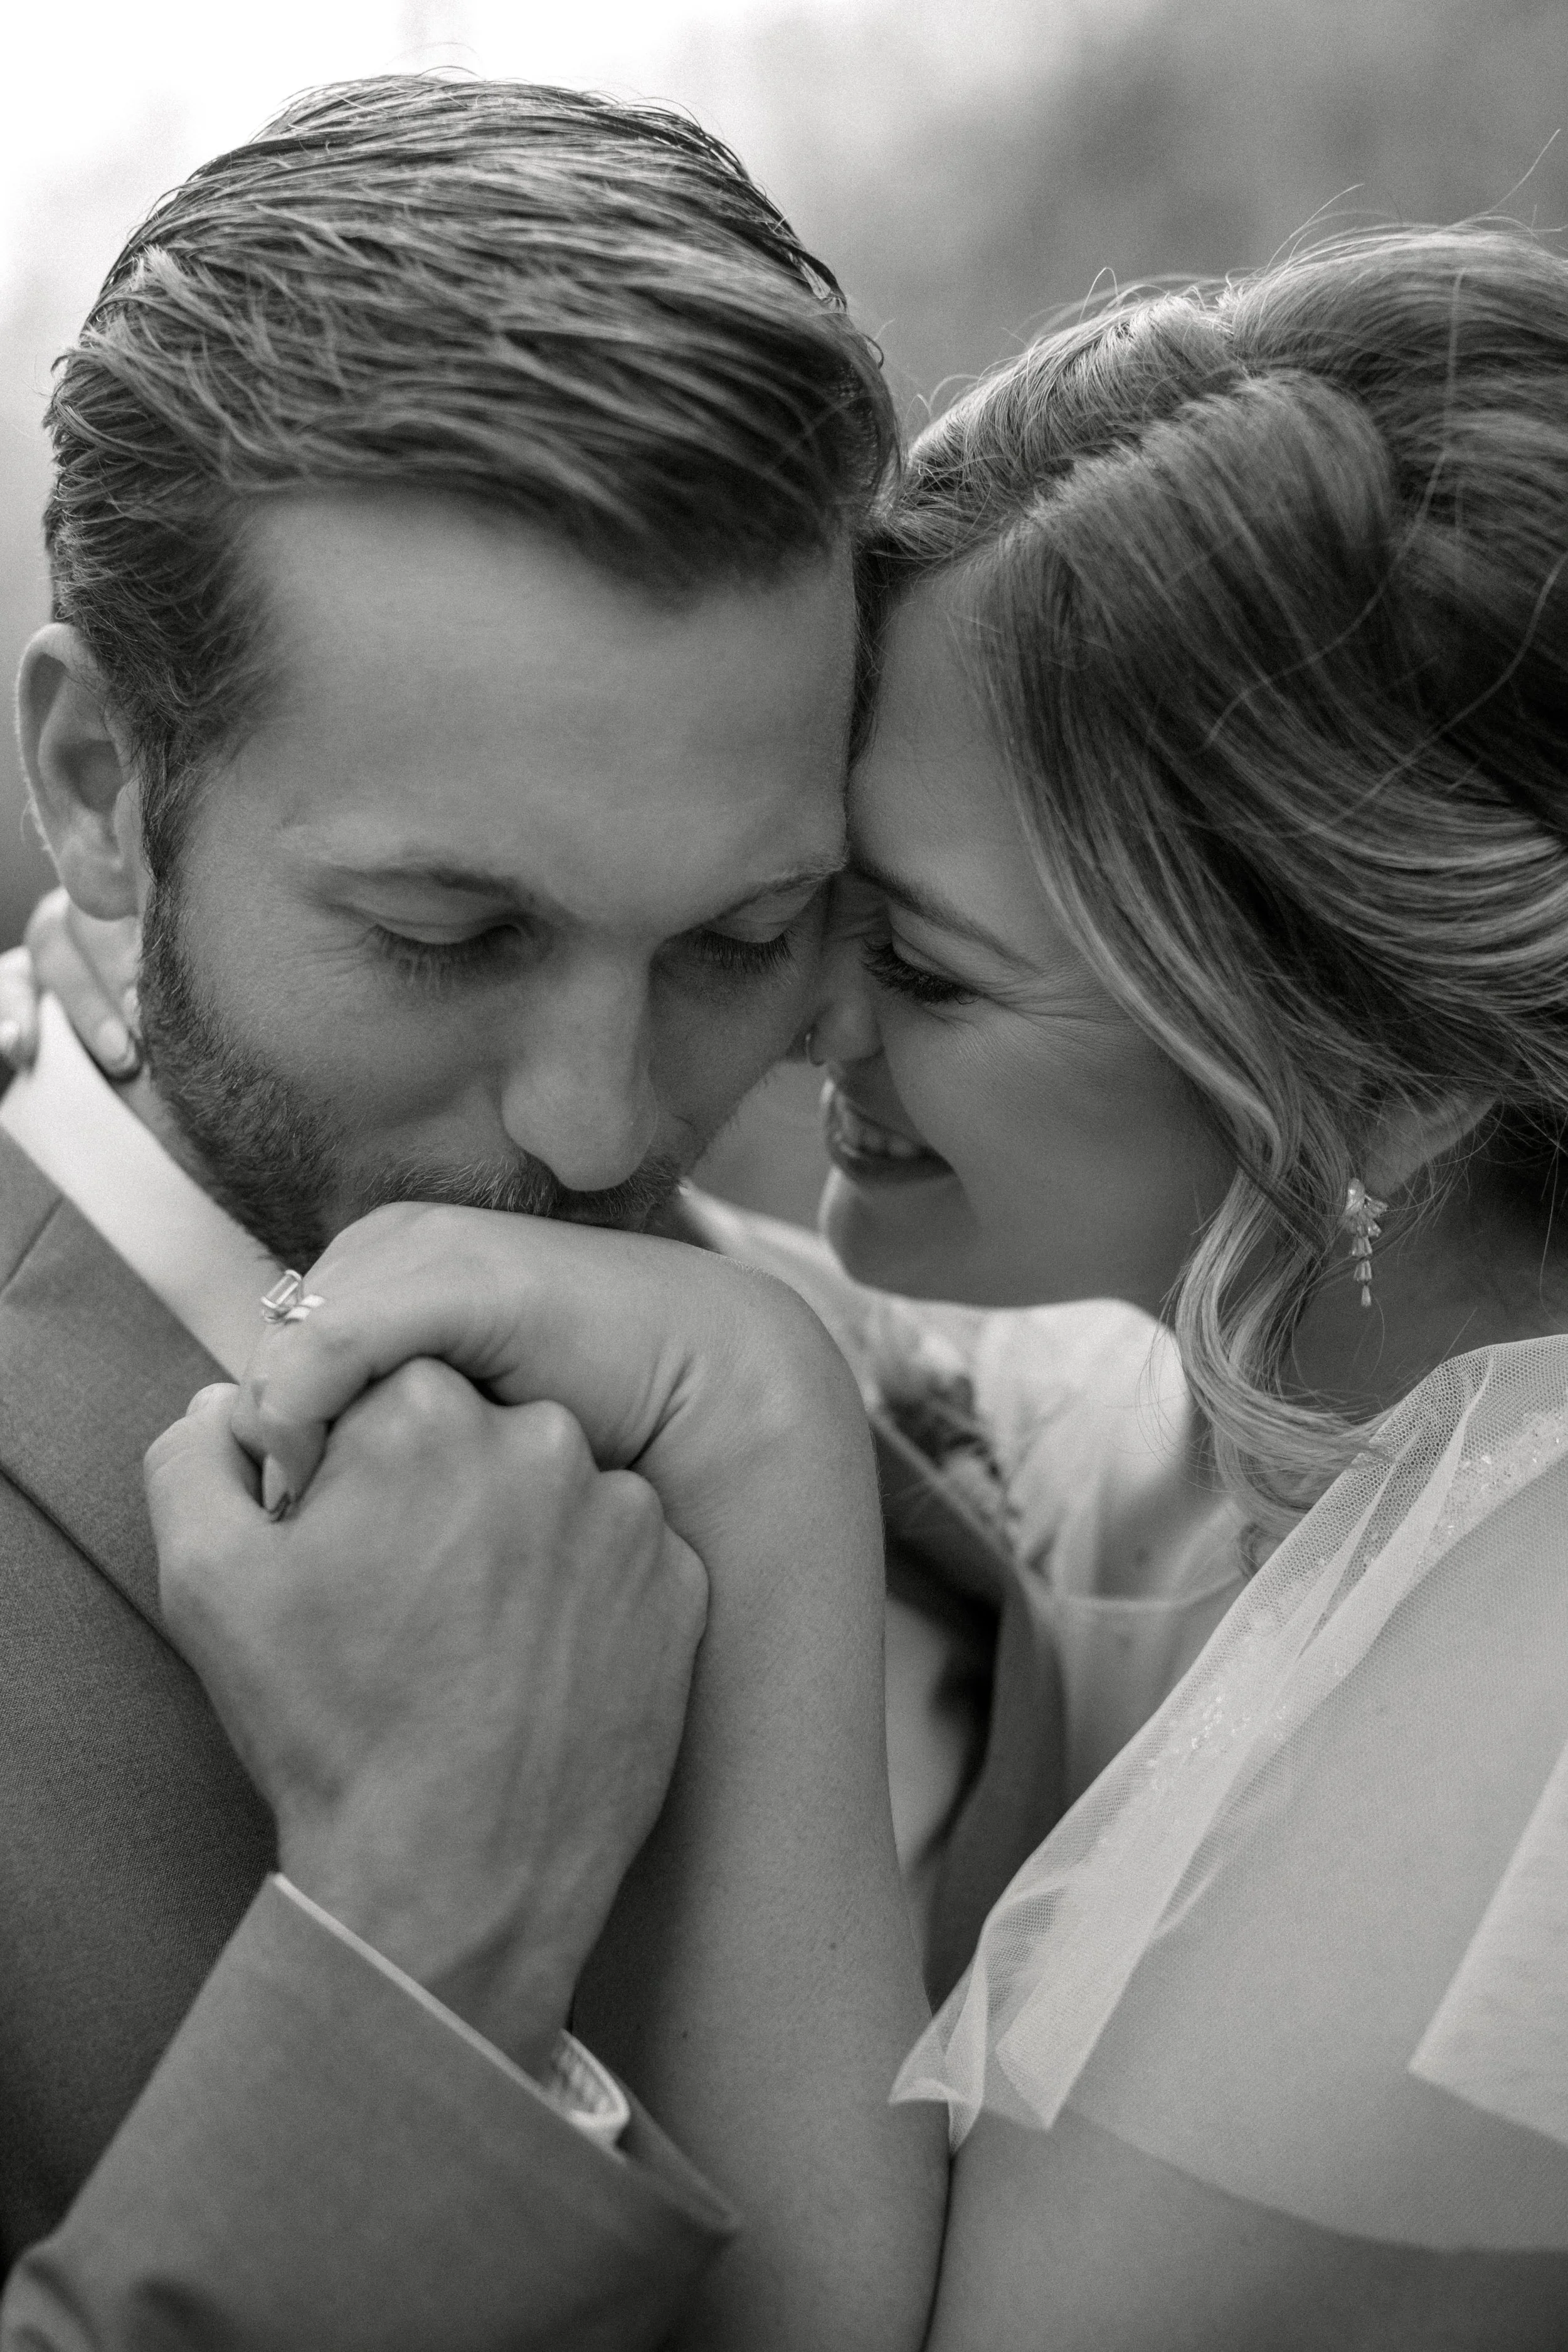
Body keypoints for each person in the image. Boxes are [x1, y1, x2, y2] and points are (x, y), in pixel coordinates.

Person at [112, 223, 1568, 2348]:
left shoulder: (1528, 1666)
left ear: (1375, 1069)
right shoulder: (1312, 1452)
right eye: (805, 910)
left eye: (926, 956)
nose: (811, 1022)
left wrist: (760, 1424)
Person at [0, 68, 972, 2349]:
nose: (600, 1118)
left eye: (741, 940)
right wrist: (416, 1927)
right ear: (99, 790)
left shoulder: (948, 1408)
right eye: (446, 932)